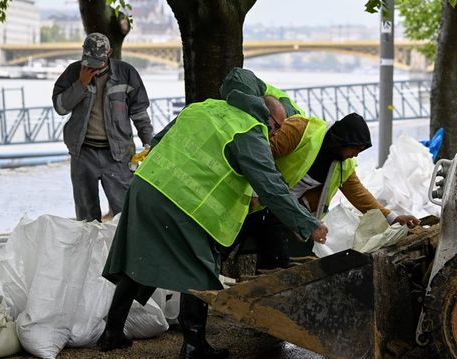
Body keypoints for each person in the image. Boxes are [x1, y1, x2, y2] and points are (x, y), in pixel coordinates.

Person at [97, 96, 328, 359]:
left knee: (138, 256)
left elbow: (159, 140)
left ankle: (112, 333)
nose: (273, 134)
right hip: (183, 202)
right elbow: (272, 188)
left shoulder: (205, 107)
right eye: (276, 127)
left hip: (147, 186)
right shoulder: (249, 131)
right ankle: (194, 347)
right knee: (199, 271)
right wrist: (308, 224)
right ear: (266, 117)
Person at [222, 68, 420, 270]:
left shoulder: (343, 165)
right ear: (344, 141)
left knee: (275, 263)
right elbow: (257, 156)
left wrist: (393, 218)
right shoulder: (301, 131)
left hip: (281, 210)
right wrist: (253, 191)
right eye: (356, 148)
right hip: (250, 201)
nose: (356, 154)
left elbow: (360, 195)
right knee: (223, 245)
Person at [52, 32, 153, 222]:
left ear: (109, 53)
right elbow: (60, 107)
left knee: (125, 215)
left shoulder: (127, 73)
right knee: (86, 219)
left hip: (118, 156)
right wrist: (80, 84)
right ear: (83, 52)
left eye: (98, 61)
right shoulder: (73, 72)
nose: (93, 67)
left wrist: (149, 141)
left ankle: (124, 251)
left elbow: (139, 112)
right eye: (89, 60)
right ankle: (89, 251)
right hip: (83, 154)